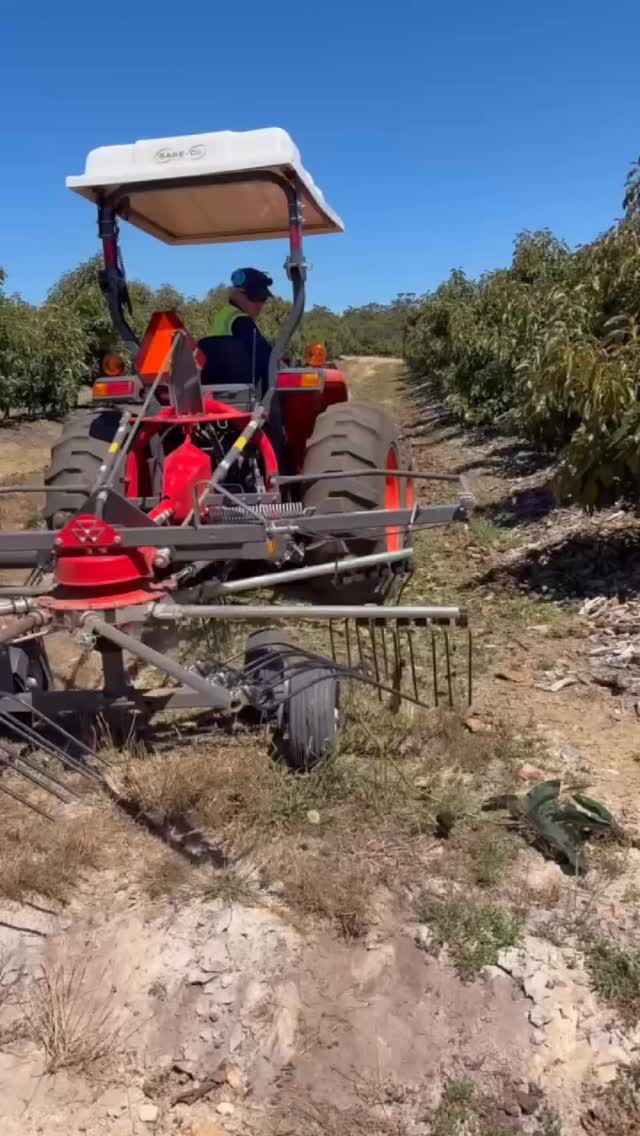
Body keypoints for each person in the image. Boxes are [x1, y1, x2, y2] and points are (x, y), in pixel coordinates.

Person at [204, 268, 275, 396]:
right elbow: (268, 357)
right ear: (240, 294)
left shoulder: (222, 316)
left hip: (218, 392)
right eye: (257, 298)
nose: (260, 305)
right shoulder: (241, 321)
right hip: (242, 395)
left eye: (263, 299)